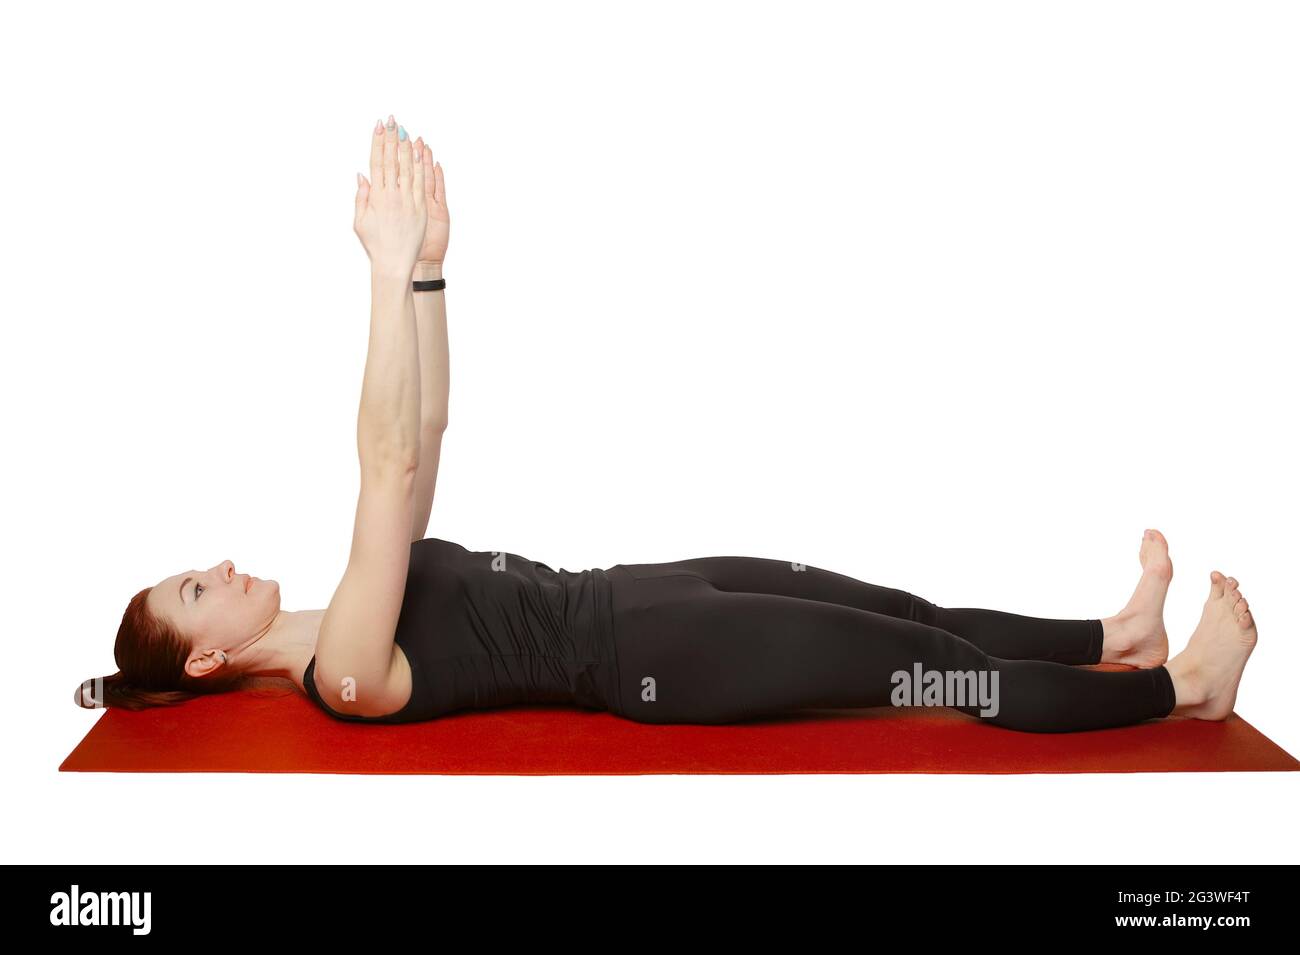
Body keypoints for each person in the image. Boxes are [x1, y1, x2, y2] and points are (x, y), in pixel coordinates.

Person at [76, 115, 1259, 734]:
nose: (218, 567)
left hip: (640, 589)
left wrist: (430, 272)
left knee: (909, 611)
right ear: (214, 658)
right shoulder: (342, 669)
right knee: (937, 674)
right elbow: (382, 467)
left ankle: (1115, 631)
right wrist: (377, 278)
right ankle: (1184, 693)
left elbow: (424, 432)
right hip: (655, 662)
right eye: (195, 590)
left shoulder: (348, 600)